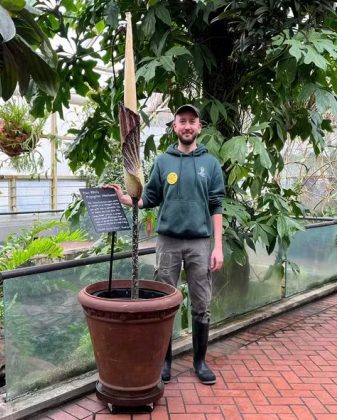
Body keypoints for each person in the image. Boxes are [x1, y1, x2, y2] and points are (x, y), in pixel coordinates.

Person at [108, 104, 225, 386]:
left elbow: (217, 205)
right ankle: (164, 363)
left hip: (199, 242)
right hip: (168, 242)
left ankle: (200, 361)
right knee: (163, 304)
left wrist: (217, 246)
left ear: (199, 127)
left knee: (201, 303)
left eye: (192, 122)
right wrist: (126, 199)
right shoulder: (163, 161)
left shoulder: (210, 164)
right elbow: (149, 199)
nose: (187, 126)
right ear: (175, 127)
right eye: (182, 121)